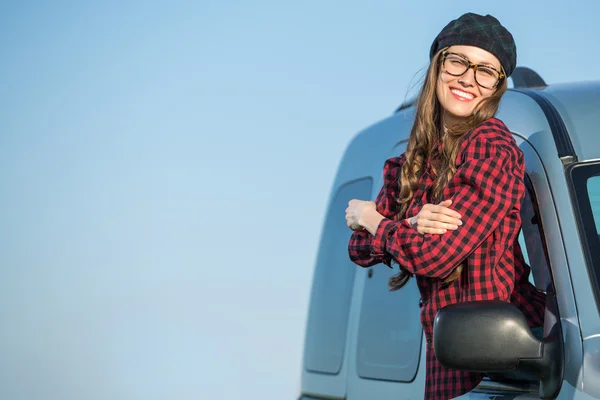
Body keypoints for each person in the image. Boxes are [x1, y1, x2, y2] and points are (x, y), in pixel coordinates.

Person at [345, 13, 546, 400]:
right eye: (458, 61)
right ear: (438, 65)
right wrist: (410, 224)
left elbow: (436, 256)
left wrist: (372, 219)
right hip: (448, 371)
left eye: (487, 71)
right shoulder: (414, 162)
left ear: (498, 87)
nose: (469, 78)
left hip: (501, 364)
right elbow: (357, 250)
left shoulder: (491, 147)